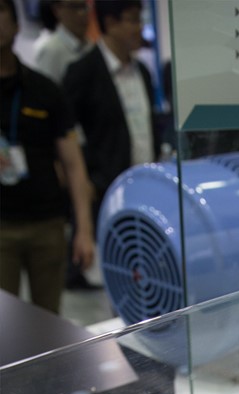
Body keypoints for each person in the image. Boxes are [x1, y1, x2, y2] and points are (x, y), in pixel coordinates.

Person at [0, 0, 94, 313]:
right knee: (5, 323)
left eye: (1, 11)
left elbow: (74, 164)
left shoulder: (44, 90)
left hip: (47, 223)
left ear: (16, 25)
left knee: (48, 320)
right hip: (2, 227)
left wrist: (84, 230)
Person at [63, 0, 159, 214]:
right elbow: (70, 135)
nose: (140, 28)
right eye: (132, 20)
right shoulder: (83, 73)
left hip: (147, 186)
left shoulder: (142, 71)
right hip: (106, 192)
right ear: (110, 23)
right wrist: (89, 182)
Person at [33, 0, 92, 84]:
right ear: (57, 10)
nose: (82, 13)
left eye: (84, 7)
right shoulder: (51, 51)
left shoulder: (90, 45)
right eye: (74, 7)